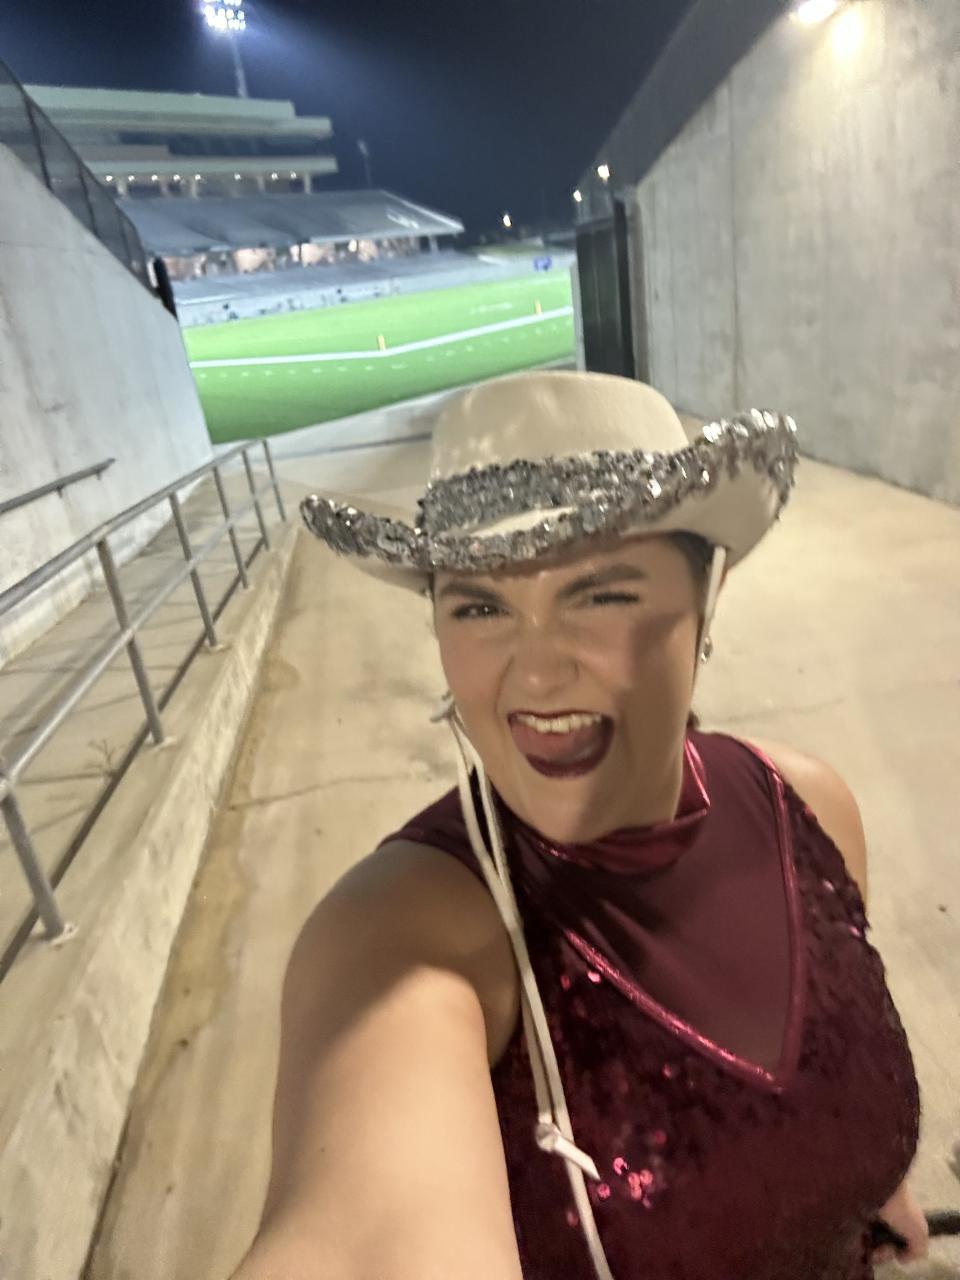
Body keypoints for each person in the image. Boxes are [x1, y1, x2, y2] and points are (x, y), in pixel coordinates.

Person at [231, 371, 927, 1280]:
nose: (536, 674)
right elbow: (359, 1232)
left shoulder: (810, 809)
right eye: (480, 606)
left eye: (600, 594)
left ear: (707, 595)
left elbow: (827, 1088)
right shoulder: (401, 938)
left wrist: (862, 1182)